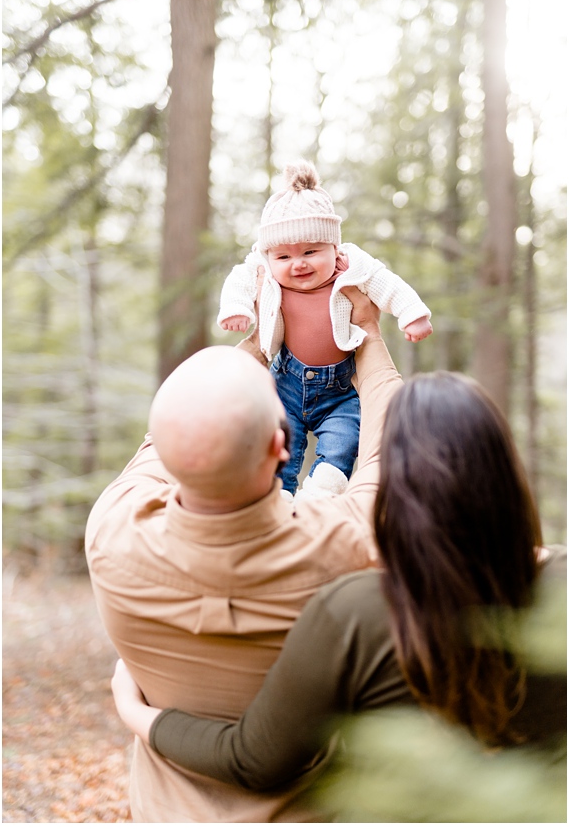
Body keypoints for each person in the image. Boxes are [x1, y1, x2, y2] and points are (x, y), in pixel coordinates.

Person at [111, 371, 567, 805]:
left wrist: (135, 711)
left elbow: (254, 759)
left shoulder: (356, 614)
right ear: (506, 470)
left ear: (398, 485)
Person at [84, 289, 399, 821]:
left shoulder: (112, 532)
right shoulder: (348, 544)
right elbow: (388, 449)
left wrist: (260, 340)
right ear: (282, 448)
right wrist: (365, 334)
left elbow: (173, 434)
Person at [216, 161, 432, 496]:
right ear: (269, 255)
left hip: (341, 389)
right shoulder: (263, 271)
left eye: (310, 251)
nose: (298, 263)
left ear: (334, 248)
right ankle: (280, 497)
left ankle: (321, 495)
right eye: (284, 257)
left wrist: (412, 313)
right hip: (286, 380)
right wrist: (236, 308)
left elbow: (387, 283)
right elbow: (239, 280)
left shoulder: (351, 267)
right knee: (279, 445)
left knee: (344, 445)